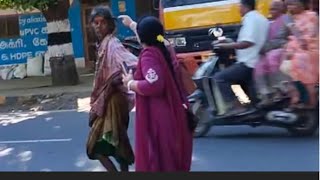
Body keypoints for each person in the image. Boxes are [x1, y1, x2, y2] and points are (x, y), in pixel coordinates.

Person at [122, 16, 193, 172]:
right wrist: (133, 24)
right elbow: (154, 34)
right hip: (174, 113)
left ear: (141, 37)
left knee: (160, 164)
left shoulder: (149, 55)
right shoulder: (165, 48)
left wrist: (130, 83)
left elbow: (154, 85)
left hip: (160, 119)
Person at [86, 6, 137, 172]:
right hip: (109, 101)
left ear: (110, 24)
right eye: (96, 22)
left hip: (113, 101)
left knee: (94, 147)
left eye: (103, 22)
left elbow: (131, 63)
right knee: (119, 144)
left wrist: (117, 81)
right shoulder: (102, 45)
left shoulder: (113, 44)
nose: (99, 26)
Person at [213, 0, 270, 116]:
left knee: (220, 77)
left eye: (239, 6)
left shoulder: (250, 19)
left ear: (245, 6)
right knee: (233, 80)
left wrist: (225, 46)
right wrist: (227, 41)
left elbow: (247, 42)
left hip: (249, 62)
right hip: (258, 60)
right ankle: (245, 103)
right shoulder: (262, 18)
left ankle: (237, 107)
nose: (238, 9)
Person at [280, 0, 319, 109]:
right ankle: (297, 96)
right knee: (285, 63)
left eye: (293, 4)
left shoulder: (311, 16)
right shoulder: (289, 18)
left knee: (298, 61)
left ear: (303, 4)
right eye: (288, 5)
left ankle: (311, 101)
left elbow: (307, 39)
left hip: (310, 49)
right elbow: (283, 38)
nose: (290, 7)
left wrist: (292, 49)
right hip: (297, 49)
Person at [254, 0, 291, 107]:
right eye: (270, 9)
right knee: (259, 66)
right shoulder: (270, 23)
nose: (271, 11)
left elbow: (286, 37)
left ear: (282, 9)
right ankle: (266, 94)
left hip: (284, 48)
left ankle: (282, 89)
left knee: (272, 57)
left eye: (274, 9)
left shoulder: (286, 18)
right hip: (271, 50)